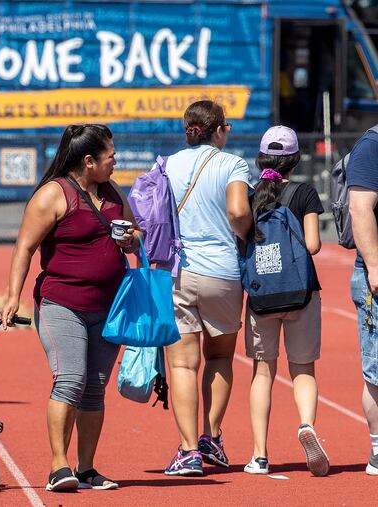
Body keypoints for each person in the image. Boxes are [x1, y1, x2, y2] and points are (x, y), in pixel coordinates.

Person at [1, 124, 141, 492]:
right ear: (89, 160)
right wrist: (12, 296)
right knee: (71, 378)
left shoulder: (112, 192)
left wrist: (131, 239)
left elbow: (136, 232)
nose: (116, 160)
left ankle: (87, 469)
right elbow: (24, 248)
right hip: (62, 303)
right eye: (111, 155)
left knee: (95, 388)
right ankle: (58, 467)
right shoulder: (54, 194)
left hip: (109, 306)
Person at [162, 100, 252, 476]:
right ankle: (211, 438)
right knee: (219, 358)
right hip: (223, 273)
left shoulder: (167, 164)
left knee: (182, 363)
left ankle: (186, 452)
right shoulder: (232, 164)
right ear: (219, 130)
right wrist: (245, 237)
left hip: (178, 270)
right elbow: (237, 211)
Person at [243, 126, 329, 476]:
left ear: (261, 158)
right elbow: (313, 245)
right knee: (303, 369)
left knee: (263, 372)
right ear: (295, 160)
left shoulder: (250, 195)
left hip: (263, 296)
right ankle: (306, 424)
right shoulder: (304, 192)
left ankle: (259, 455)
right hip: (300, 294)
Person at [346, 123, 378, 476]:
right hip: (374, 276)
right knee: (377, 369)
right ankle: (377, 450)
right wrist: (374, 266)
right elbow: (360, 208)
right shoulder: (371, 146)